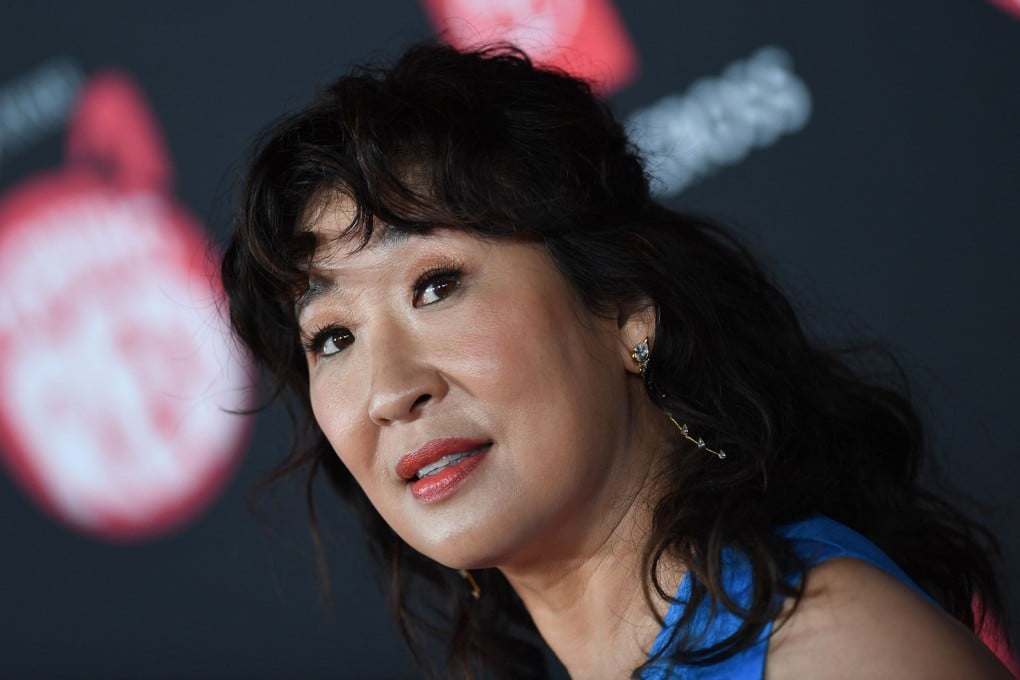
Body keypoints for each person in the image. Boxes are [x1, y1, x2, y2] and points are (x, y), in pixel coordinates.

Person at [221, 43, 1015, 679]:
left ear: (625, 308)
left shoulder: (827, 652)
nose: (389, 390)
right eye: (331, 337)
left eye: (435, 286)